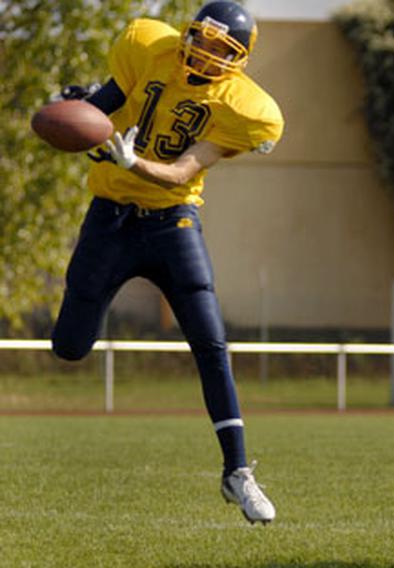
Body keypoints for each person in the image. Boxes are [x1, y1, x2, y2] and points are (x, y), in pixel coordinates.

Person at [50, 1, 283, 525]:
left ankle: (237, 472)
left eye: (221, 47)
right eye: (201, 38)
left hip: (171, 222)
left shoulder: (245, 108)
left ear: (239, 58)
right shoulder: (147, 48)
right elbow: (101, 113)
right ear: (187, 33)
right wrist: (81, 113)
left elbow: (181, 174)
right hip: (108, 219)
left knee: (210, 340)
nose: (205, 52)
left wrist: (134, 161)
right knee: (68, 347)